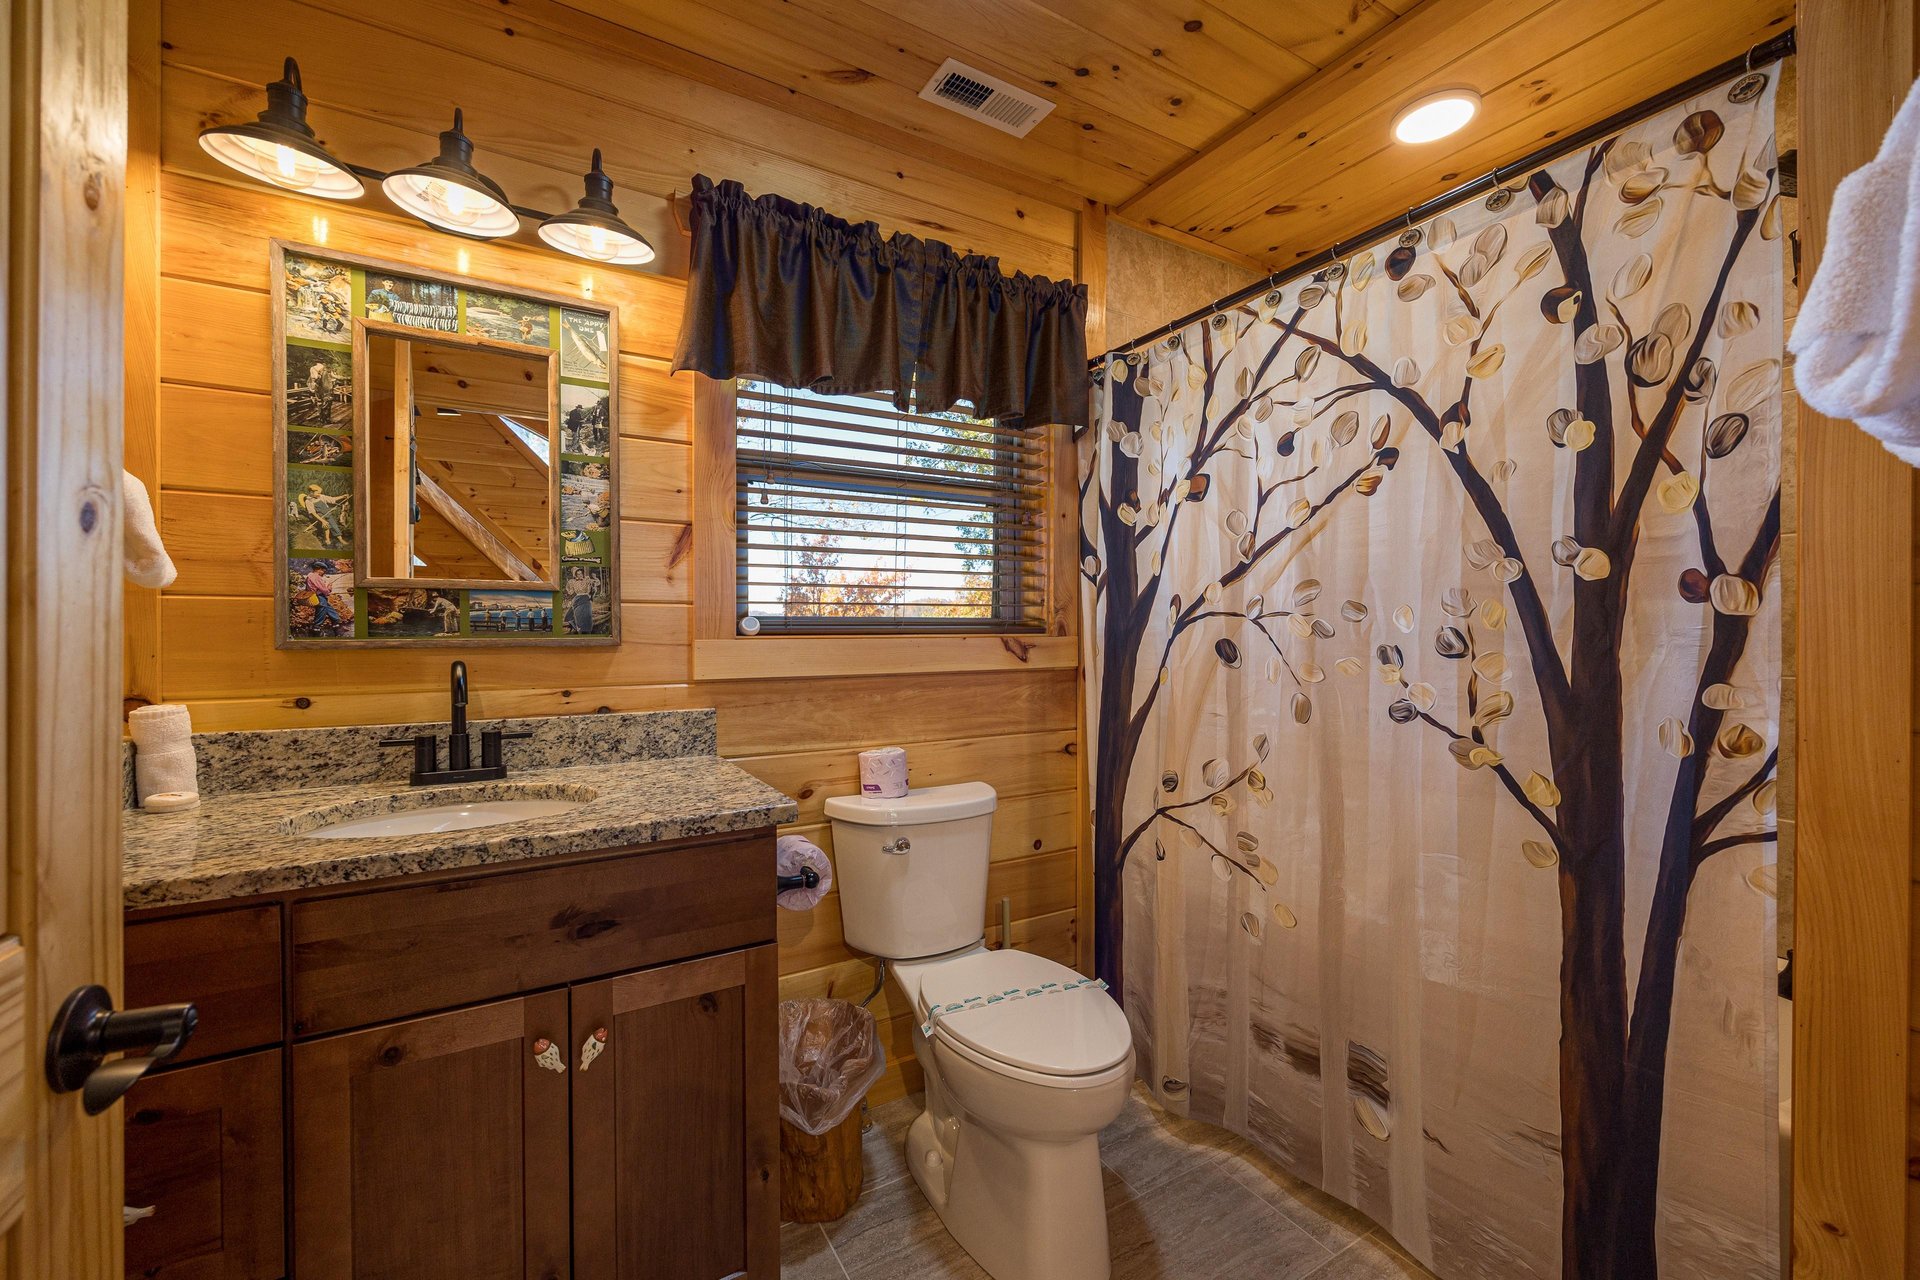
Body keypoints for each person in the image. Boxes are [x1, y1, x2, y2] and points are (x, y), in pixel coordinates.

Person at [297, 483, 348, 548]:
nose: (319, 494)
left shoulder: (320, 496)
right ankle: (327, 540)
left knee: (334, 525)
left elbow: (332, 499)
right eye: (317, 493)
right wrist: (322, 521)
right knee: (326, 526)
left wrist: (343, 496)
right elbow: (313, 513)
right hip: (319, 516)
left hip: (328, 513)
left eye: (319, 493)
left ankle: (341, 539)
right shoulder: (308, 501)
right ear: (311, 492)